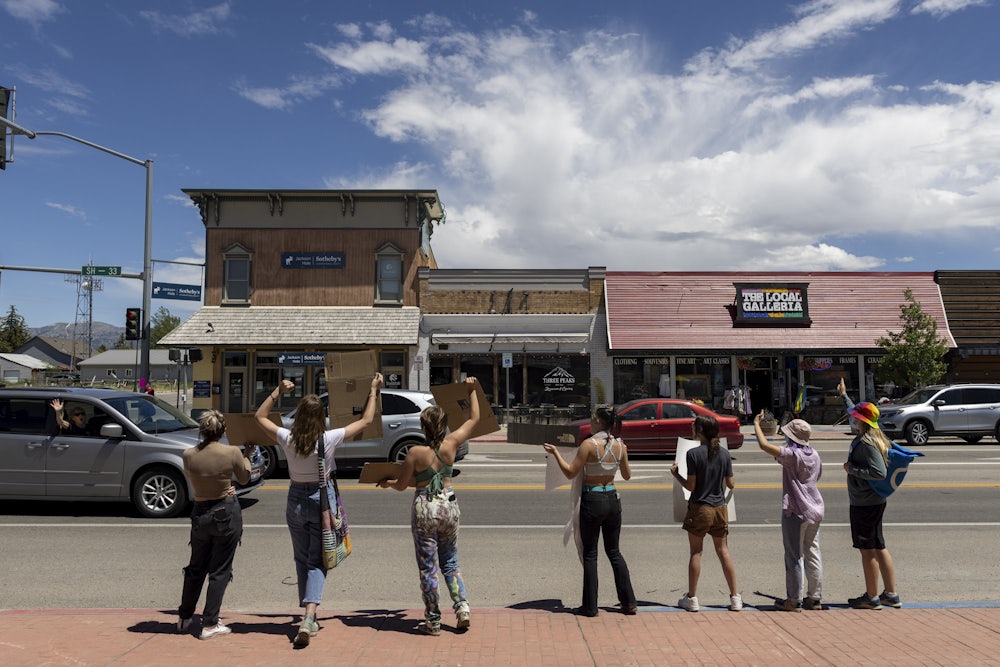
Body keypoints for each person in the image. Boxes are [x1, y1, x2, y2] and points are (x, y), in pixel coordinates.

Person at [255, 373, 383, 648]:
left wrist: (277, 391)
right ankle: (309, 615)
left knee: (301, 558)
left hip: (295, 499)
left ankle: (307, 614)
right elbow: (366, 421)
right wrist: (372, 391)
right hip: (320, 500)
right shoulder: (328, 439)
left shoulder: (287, 438)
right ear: (320, 416)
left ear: (299, 415)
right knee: (318, 558)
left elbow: (260, 417)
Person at [376, 377, 481, 636]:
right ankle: (462, 608)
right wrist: (472, 390)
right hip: (449, 506)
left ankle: (433, 620)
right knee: (450, 562)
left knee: (428, 567)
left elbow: (401, 485)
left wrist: (387, 482)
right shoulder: (452, 444)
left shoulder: (414, 452)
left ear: (423, 427)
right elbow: (474, 419)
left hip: (424, 509)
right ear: (444, 426)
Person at [542, 404, 637, 617]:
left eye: (593, 418)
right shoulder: (621, 446)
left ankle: (590, 606)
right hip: (612, 498)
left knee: (590, 554)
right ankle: (629, 602)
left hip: (592, 499)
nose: (591, 421)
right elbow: (628, 475)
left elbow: (570, 473)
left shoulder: (588, 445)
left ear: (598, 422)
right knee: (614, 551)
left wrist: (556, 453)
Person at [177, 410, 254, 639]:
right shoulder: (231, 452)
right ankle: (210, 623)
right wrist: (247, 455)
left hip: (200, 511)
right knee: (220, 570)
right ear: (223, 431)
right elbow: (244, 478)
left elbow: (197, 477)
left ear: (202, 430)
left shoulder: (189, 454)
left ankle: (184, 617)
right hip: (225, 511)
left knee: (196, 567)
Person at [837, 377, 900, 610]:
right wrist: (844, 394)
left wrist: (851, 468)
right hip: (873, 500)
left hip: (865, 503)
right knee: (879, 545)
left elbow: (879, 472)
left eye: (855, 417)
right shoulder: (876, 434)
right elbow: (856, 411)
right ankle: (891, 594)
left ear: (861, 421)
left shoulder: (866, 442)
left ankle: (872, 597)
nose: (852, 418)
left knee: (867, 549)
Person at [752, 410, 825, 611]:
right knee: (813, 552)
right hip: (815, 509)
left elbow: (764, 446)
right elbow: (816, 477)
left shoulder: (793, 456)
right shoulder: (814, 454)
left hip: (797, 511)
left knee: (794, 556)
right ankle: (815, 596)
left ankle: (793, 599)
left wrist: (756, 425)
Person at [670, 414, 742, 612]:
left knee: (696, 552)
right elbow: (731, 483)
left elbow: (691, 486)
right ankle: (735, 597)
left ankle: (692, 598)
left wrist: (676, 475)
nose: (692, 430)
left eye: (694, 427)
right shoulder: (725, 454)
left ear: (700, 431)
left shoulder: (693, 454)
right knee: (723, 551)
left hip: (700, 508)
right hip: (720, 508)